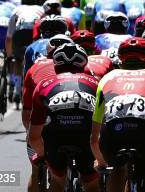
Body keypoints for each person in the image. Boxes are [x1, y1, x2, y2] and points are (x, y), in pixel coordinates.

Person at [90, 37, 145, 192]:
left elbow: (94, 138)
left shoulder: (106, 79)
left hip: (111, 137)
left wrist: (101, 161)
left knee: (115, 170)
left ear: (121, 61)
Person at [28, 43, 100, 192]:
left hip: (56, 137)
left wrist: (43, 157)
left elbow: (33, 137)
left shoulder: (42, 85)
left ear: (55, 65)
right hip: (86, 136)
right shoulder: (98, 83)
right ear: (84, 65)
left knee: (58, 179)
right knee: (91, 183)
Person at [6, 0, 44, 103]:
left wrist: (9, 55)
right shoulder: (41, 9)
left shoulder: (16, 10)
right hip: (34, 34)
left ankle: (17, 90)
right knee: (35, 63)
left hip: (19, 33)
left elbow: (9, 36)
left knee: (17, 61)